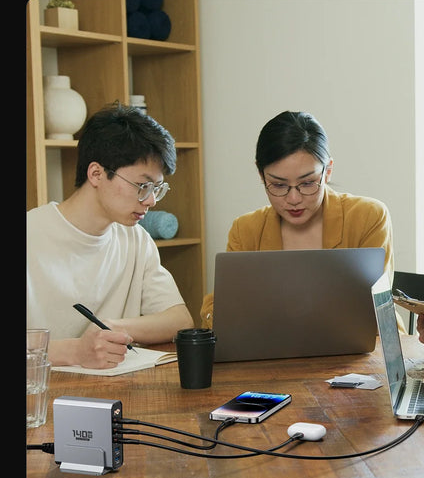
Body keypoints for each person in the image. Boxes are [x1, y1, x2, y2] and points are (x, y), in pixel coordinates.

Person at [27, 102, 193, 369]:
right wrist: (75, 351)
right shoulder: (30, 235)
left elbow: (179, 320)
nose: (151, 200)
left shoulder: (136, 240)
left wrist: (110, 328)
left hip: (117, 393)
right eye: (142, 186)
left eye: (156, 188)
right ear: (96, 173)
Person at [201, 110, 400, 329]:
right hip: (274, 351)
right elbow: (222, 306)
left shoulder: (368, 217)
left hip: (364, 352)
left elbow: (375, 306)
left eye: (307, 183)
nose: (293, 199)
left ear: (328, 171)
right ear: (261, 175)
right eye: (278, 185)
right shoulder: (246, 230)